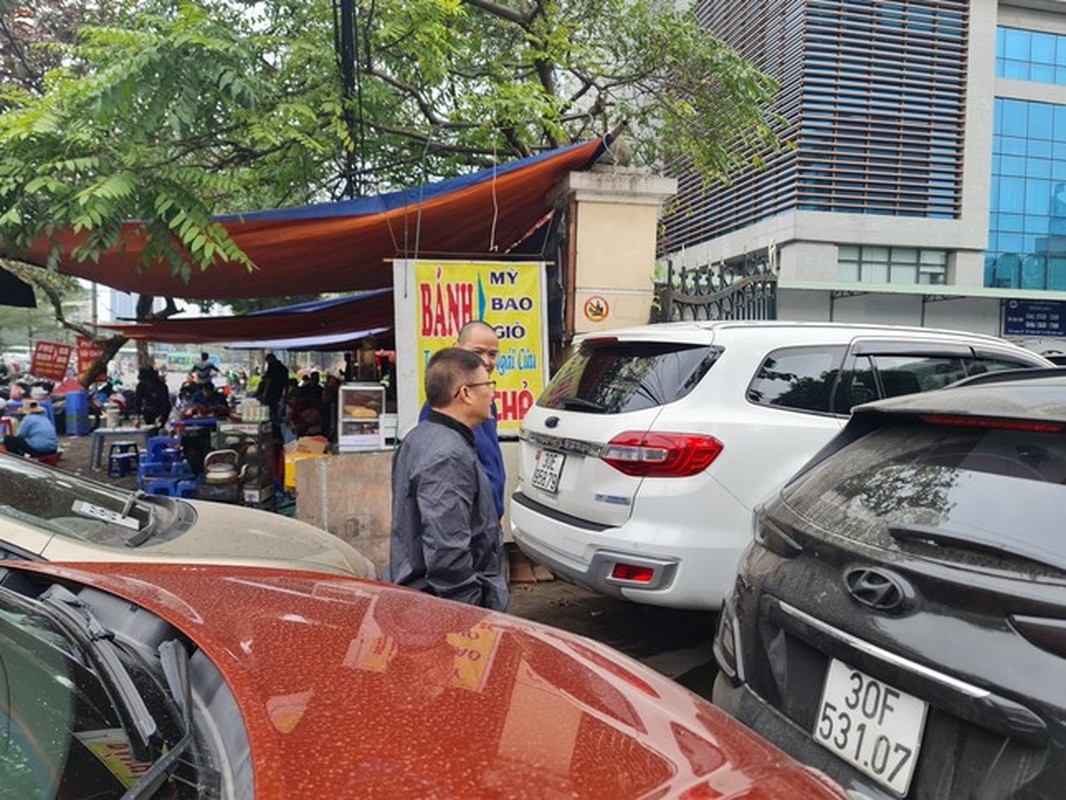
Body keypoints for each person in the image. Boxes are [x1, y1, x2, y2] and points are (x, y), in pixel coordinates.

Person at [388, 347, 508, 611]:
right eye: (488, 384)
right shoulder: (447, 455)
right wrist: (470, 610)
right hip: (445, 610)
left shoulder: (420, 436)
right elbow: (447, 550)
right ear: (465, 393)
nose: (492, 392)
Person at [418, 320, 506, 520]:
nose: (485, 361)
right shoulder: (441, 407)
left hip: (489, 519)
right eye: (477, 352)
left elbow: (489, 461)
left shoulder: (487, 405)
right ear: (456, 350)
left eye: (492, 354)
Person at [257, 353, 289, 423]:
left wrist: (265, 393)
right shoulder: (284, 368)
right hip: (279, 391)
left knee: (269, 409)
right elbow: (286, 382)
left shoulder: (272, 367)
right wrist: (286, 393)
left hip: (271, 391)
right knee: (276, 408)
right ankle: (275, 421)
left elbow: (269, 380)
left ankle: (270, 422)